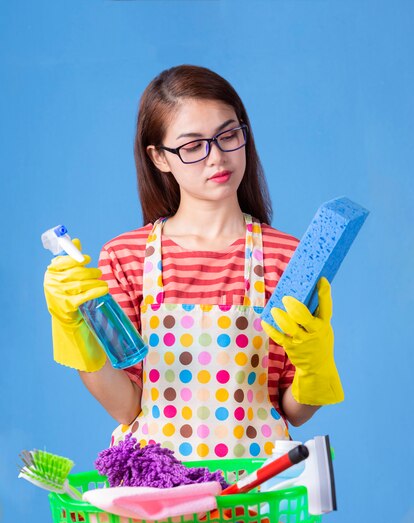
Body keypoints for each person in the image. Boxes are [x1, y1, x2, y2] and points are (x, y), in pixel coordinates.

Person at [43, 64, 344, 461]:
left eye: (228, 135)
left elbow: (294, 412)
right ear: (160, 158)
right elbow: (125, 407)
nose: (216, 157)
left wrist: (316, 367)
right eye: (192, 145)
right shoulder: (125, 257)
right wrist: (75, 336)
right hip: (156, 493)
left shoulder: (288, 257)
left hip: (258, 493)